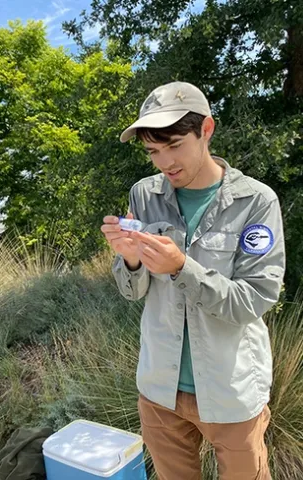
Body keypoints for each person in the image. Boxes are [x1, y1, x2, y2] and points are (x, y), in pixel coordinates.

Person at [101, 82, 285, 480]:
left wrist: (182, 267)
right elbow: (132, 292)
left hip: (231, 393)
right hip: (159, 391)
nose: (164, 161)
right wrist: (131, 261)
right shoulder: (144, 195)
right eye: (153, 151)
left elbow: (254, 300)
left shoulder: (256, 202)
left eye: (174, 145)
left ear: (206, 129)